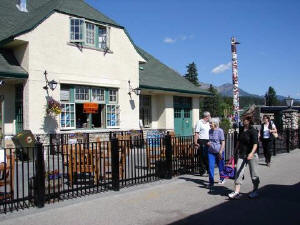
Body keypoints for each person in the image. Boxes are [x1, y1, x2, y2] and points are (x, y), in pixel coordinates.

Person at [228, 116, 260, 199]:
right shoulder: (242, 129)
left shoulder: (253, 131)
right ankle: (237, 192)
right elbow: (239, 141)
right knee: (238, 172)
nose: (242, 121)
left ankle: (255, 190)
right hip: (242, 154)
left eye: (244, 120)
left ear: (248, 121)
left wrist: (251, 153)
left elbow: (255, 144)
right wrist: (235, 151)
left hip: (251, 155)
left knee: (254, 174)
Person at [207, 118, 225, 188]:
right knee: (211, 166)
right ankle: (211, 182)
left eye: (211, 123)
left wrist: (220, 151)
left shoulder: (220, 131)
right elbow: (211, 140)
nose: (210, 124)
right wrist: (209, 143)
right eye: (210, 123)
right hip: (211, 151)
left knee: (220, 166)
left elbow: (223, 142)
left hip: (219, 151)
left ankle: (222, 178)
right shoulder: (209, 131)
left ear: (215, 123)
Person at [194, 111, 211, 175]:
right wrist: (195, 142)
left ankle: (208, 170)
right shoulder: (199, 122)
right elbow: (197, 133)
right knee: (202, 156)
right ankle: (202, 171)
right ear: (206, 116)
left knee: (207, 156)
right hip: (201, 140)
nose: (210, 117)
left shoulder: (209, 123)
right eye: (209, 116)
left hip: (208, 141)